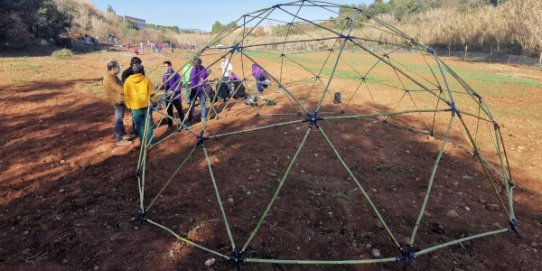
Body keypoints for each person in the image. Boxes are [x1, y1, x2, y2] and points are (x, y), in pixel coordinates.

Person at [124, 63, 156, 145]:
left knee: (140, 126)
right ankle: (150, 142)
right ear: (142, 71)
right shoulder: (146, 80)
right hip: (146, 106)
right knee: (148, 125)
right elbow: (151, 93)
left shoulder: (127, 81)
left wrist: (129, 105)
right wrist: (153, 102)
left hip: (135, 107)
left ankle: (143, 142)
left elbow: (126, 95)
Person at [103, 60, 132, 146]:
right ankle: (119, 137)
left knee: (120, 118)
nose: (119, 68)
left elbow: (120, 84)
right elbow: (120, 89)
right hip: (117, 101)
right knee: (119, 119)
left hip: (119, 99)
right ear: (113, 68)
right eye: (118, 67)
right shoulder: (109, 78)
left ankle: (123, 134)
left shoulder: (113, 75)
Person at [161, 61, 185, 130]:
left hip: (176, 96)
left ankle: (182, 123)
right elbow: (164, 86)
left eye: (166, 66)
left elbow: (180, 84)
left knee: (179, 110)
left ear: (170, 66)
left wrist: (174, 90)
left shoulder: (175, 74)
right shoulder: (164, 76)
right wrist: (160, 86)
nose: (165, 68)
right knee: (169, 111)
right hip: (168, 96)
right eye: (164, 67)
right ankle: (170, 125)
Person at [187, 58, 209, 125]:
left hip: (201, 89)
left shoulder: (202, 69)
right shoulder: (193, 69)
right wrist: (191, 83)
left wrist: (202, 81)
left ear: (198, 63)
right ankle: (190, 119)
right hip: (194, 89)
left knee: (202, 103)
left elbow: (203, 76)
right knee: (191, 104)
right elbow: (190, 78)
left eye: (194, 63)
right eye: (192, 63)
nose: (192, 64)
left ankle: (203, 118)